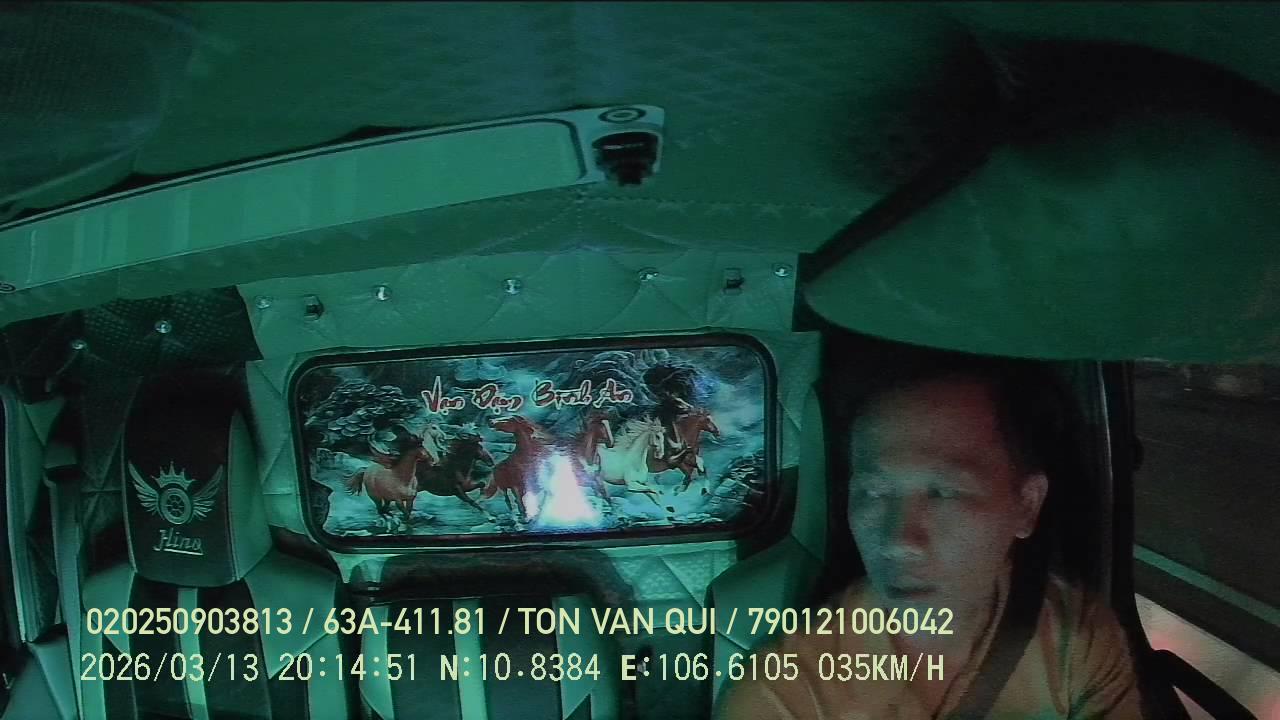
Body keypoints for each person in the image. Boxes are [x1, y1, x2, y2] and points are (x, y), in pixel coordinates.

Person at [715, 357, 1144, 719]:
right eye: (874, 493)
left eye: (944, 493)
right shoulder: (783, 693)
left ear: (1027, 505)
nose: (899, 541)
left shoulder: (1077, 640)